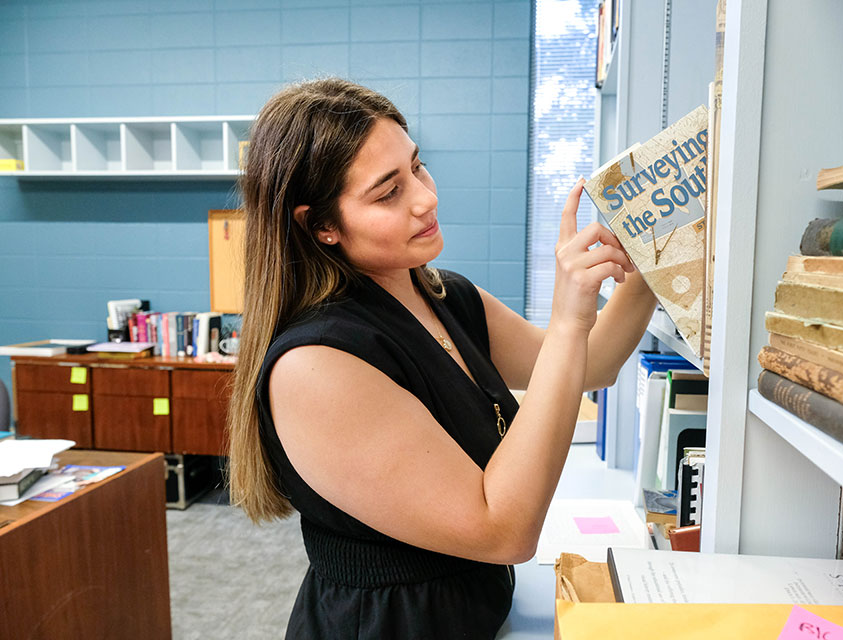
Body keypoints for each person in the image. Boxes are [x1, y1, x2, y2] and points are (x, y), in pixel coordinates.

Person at [228, 77, 657, 639]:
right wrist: (568, 319)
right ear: (322, 226)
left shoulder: (445, 296)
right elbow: (502, 530)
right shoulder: (317, 363)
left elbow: (591, 364)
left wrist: (659, 253)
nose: (426, 198)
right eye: (389, 193)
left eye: (417, 168)